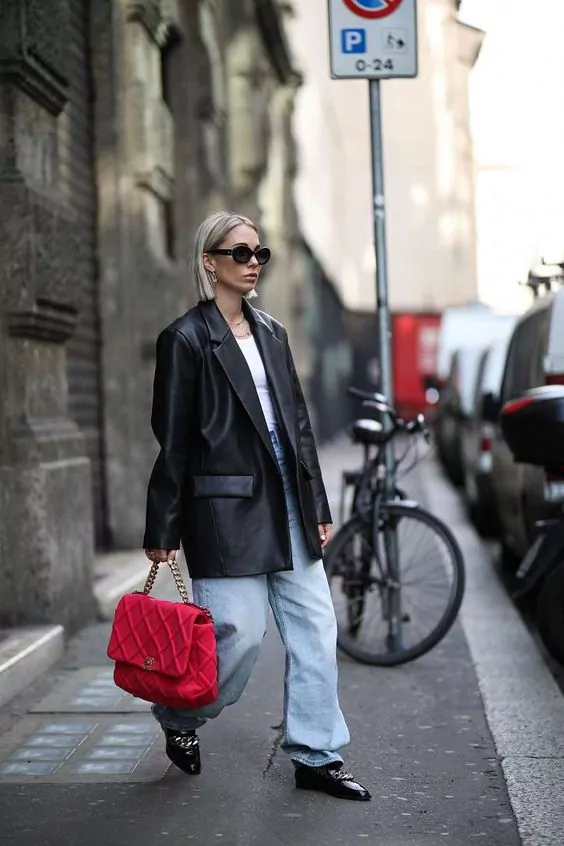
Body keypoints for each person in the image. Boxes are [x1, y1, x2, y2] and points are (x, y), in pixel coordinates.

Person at [143, 211, 370, 801]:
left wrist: (316, 501)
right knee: (238, 635)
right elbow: (174, 441)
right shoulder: (185, 339)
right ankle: (179, 716)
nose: (252, 264)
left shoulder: (272, 332)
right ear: (209, 261)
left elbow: (298, 423)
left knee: (315, 628)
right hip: (225, 508)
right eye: (239, 253)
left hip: (288, 498)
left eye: (259, 253)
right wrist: (163, 526)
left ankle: (317, 754)